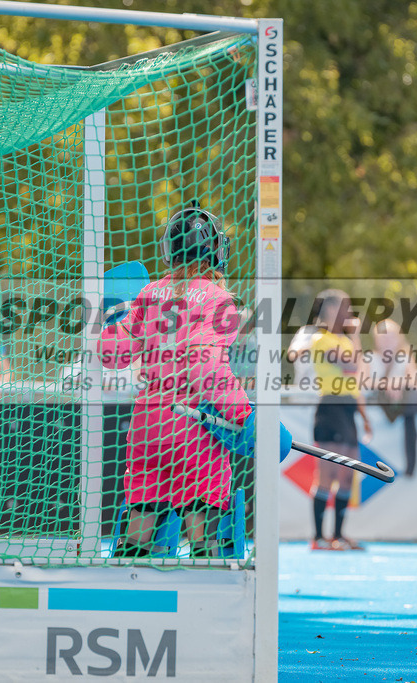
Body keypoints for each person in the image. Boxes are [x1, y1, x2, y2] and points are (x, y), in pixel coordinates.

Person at [99, 201, 267, 558]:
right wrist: (243, 414)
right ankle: (207, 601)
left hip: (147, 425)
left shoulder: (146, 295)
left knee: (143, 517)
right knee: (204, 526)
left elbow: (112, 355)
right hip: (193, 426)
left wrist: (116, 312)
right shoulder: (219, 297)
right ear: (216, 252)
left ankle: (126, 598)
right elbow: (205, 368)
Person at [306, 289, 371, 551]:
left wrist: (363, 415)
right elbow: (352, 365)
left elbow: (357, 377)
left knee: (347, 476)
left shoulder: (344, 340)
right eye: (345, 307)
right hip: (331, 407)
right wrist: (355, 338)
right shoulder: (322, 339)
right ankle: (319, 537)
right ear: (332, 311)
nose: (350, 313)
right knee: (328, 475)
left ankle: (339, 535)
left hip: (348, 408)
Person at [370, 319, 417, 476]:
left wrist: (398, 382)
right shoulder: (370, 358)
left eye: (391, 336)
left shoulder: (405, 358)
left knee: (412, 401)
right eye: (383, 336)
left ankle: (410, 466)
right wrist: (386, 384)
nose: (387, 340)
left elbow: (415, 382)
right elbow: (362, 382)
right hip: (374, 410)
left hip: (400, 408)